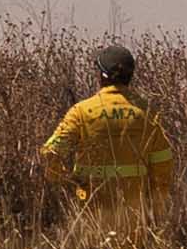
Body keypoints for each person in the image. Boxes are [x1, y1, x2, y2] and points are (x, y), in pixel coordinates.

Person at [39, 44, 176, 217]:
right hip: (134, 213)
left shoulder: (81, 112)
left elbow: (50, 152)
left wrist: (66, 182)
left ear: (102, 76)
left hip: (90, 212)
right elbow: (162, 165)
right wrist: (157, 209)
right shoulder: (148, 112)